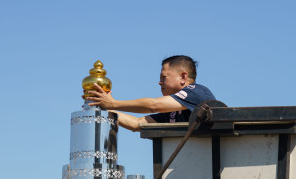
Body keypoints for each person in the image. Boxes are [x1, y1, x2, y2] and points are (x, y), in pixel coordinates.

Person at [86, 55, 215, 131]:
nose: (160, 82)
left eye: (164, 77)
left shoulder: (196, 92)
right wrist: (101, 108)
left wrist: (113, 104)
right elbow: (137, 123)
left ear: (183, 77)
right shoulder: (173, 110)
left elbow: (153, 105)